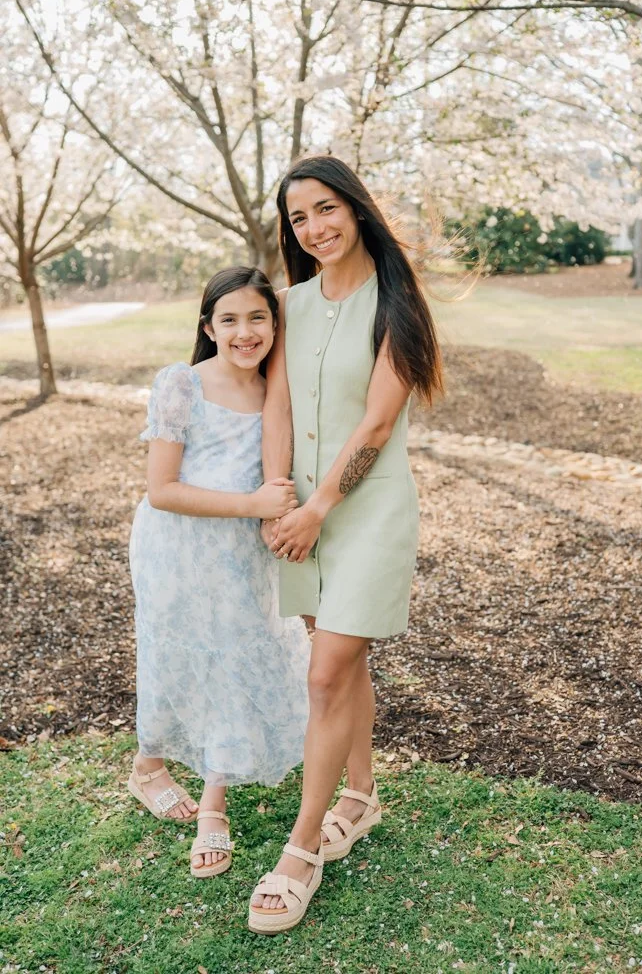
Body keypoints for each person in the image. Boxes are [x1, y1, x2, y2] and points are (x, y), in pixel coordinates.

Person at [249, 156, 442, 932]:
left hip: (363, 514)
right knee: (340, 659)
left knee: (325, 674)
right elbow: (276, 409)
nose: (316, 228)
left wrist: (319, 508)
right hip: (300, 513)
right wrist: (276, 500)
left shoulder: (397, 303)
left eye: (327, 209)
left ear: (357, 210)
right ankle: (358, 797)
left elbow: (375, 425)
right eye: (299, 219)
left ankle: (301, 850)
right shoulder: (286, 305)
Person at [127, 266, 311, 879]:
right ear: (208, 327)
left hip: (242, 556)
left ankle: (213, 797)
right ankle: (148, 766)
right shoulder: (182, 383)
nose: (244, 331)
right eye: (228, 319)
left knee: (231, 661)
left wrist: (268, 515)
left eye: (258, 317)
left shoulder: (277, 393)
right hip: (177, 547)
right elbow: (161, 490)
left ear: (275, 325)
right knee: (176, 656)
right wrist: (252, 505)